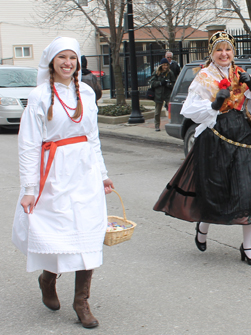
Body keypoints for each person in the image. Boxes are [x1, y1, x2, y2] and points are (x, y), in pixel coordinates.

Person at [12, 37, 114, 328]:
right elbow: (29, 143)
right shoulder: (40, 96)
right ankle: (48, 279)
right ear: (51, 62)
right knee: (56, 231)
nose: (68, 62)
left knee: (88, 232)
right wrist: (30, 189)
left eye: (73, 57)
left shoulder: (87, 93)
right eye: (62, 57)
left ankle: (81, 301)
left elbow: (93, 137)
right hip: (53, 172)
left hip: (84, 172)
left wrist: (103, 173)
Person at [153, 31, 251, 266]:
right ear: (212, 53)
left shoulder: (240, 73)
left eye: (228, 49)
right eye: (219, 49)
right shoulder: (204, 77)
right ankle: (203, 227)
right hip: (215, 137)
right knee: (215, 188)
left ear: (233, 52)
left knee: (247, 189)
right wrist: (215, 103)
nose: (224, 53)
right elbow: (189, 109)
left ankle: (247, 247)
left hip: (241, 135)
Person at [149, 58, 176, 131]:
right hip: (158, 94)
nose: (165, 67)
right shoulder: (157, 73)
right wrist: (160, 83)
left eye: (166, 65)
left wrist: (168, 84)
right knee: (157, 112)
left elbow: (174, 84)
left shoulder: (170, 73)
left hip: (167, 94)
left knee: (170, 110)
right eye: (164, 65)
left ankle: (172, 124)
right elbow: (152, 83)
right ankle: (157, 125)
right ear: (161, 65)